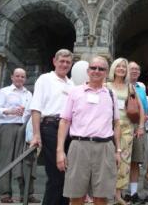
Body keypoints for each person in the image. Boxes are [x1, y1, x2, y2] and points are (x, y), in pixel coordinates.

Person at [56, 56, 121, 205]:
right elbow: (65, 121)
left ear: (106, 72)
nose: (96, 71)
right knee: (76, 195)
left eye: (101, 68)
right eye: (93, 68)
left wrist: (118, 151)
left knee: (101, 197)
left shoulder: (111, 94)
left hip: (105, 147)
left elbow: (117, 123)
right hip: (79, 146)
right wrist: (60, 151)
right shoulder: (75, 92)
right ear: (88, 70)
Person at [29, 49, 74, 205]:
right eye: (62, 61)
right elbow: (36, 107)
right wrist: (36, 134)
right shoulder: (45, 79)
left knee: (67, 177)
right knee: (56, 175)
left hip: (68, 131)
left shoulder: (72, 84)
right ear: (54, 61)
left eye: (68, 62)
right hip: (50, 127)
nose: (64, 64)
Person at [0, 68, 37, 203]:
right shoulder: (4, 92)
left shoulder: (29, 94)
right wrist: (9, 111)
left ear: (25, 78)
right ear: (12, 77)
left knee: (27, 160)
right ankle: (5, 194)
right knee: (7, 160)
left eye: (23, 76)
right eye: (17, 76)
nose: (20, 78)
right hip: (8, 127)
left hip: (24, 128)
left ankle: (27, 194)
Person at [106, 58, 145, 205]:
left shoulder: (130, 87)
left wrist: (140, 126)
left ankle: (118, 195)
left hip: (127, 128)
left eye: (124, 67)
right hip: (108, 128)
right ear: (113, 68)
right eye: (119, 66)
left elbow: (140, 108)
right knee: (108, 161)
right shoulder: (106, 85)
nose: (121, 69)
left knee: (124, 162)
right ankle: (105, 193)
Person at [126, 61, 147, 204]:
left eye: (136, 69)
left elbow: (144, 108)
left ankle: (133, 193)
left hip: (138, 127)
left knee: (135, 161)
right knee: (121, 160)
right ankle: (119, 193)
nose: (134, 71)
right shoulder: (120, 85)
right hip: (122, 126)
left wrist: (141, 124)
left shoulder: (141, 88)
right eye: (131, 68)